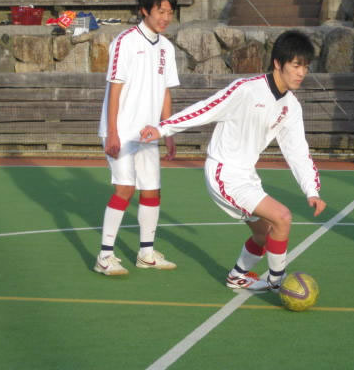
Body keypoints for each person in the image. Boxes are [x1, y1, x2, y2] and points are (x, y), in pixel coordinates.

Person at [140, 30, 327, 292]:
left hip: (246, 175)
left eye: (305, 67)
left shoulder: (291, 107)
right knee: (282, 217)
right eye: (296, 66)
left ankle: (237, 276)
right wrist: (162, 128)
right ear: (277, 63)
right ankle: (278, 283)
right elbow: (205, 108)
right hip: (223, 172)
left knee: (264, 233)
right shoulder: (246, 90)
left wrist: (311, 190)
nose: (301, 73)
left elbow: (297, 151)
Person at [94, 0, 179, 276]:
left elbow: (165, 91)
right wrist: (112, 132)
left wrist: (167, 131)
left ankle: (146, 253)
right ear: (144, 10)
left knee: (152, 190)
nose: (165, 17)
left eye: (169, 12)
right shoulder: (125, 41)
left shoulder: (167, 48)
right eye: (160, 11)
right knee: (125, 188)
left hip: (149, 134)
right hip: (122, 131)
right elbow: (115, 89)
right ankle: (105, 256)